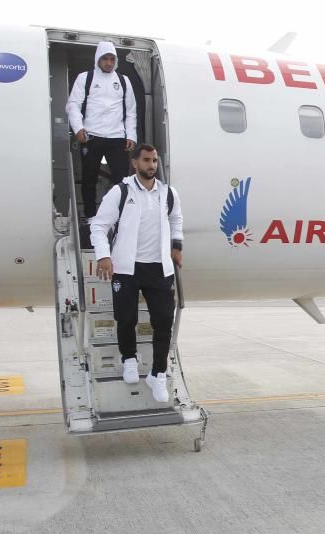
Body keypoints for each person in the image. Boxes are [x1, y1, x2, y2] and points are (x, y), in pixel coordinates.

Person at [89, 144, 183, 403]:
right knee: (126, 317)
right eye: (146, 160)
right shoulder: (120, 192)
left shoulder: (168, 194)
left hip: (158, 267)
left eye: (154, 160)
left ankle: (158, 374)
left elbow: (176, 220)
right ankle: (129, 358)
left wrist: (176, 246)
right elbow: (98, 225)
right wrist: (104, 255)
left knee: (164, 320)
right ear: (134, 163)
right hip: (127, 266)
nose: (151, 165)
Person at [67, 41, 138, 242]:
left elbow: (131, 111)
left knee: (121, 180)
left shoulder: (123, 81)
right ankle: (90, 218)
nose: (108, 63)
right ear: (98, 60)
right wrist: (78, 128)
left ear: (115, 61)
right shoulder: (86, 78)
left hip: (116, 137)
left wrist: (131, 135)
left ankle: (119, 218)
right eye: (104, 59)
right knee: (89, 179)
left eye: (111, 59)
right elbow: (73, 104)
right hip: (92, 136)